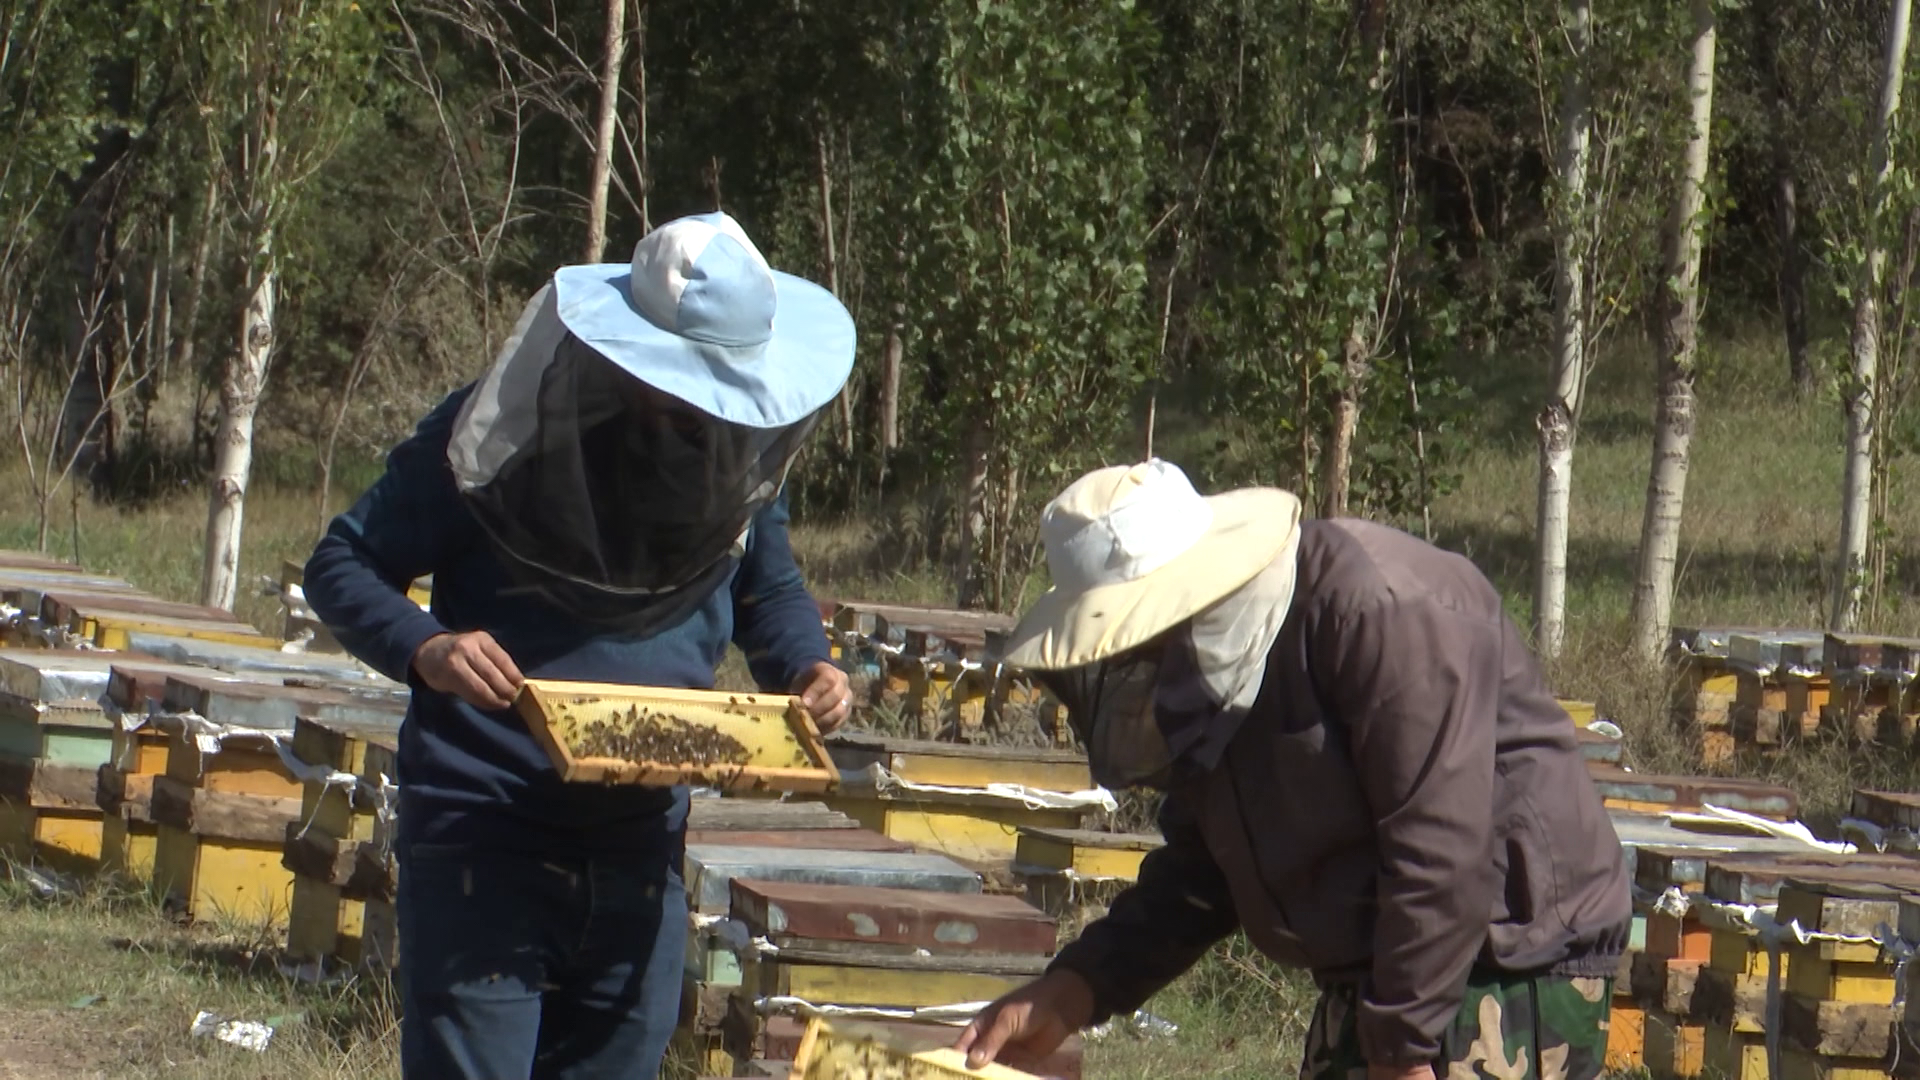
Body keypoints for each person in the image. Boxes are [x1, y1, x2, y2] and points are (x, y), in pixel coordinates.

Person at [304, 211, 854, 1080]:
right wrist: (427, 647)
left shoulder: (733, 465)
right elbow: (342, 563)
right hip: (485, 831)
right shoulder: (498, 433)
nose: (700, 413)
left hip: (640, 853)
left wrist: (807, 664)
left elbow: (769, 589)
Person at [956, 459, 1631, 1080]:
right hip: (1382, 979)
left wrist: (1402, 1046)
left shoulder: (1380, 610)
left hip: (1507, 963)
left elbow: (1441, 846)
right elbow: (1200, 874)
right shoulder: (1208, 681)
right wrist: (1074, 987)